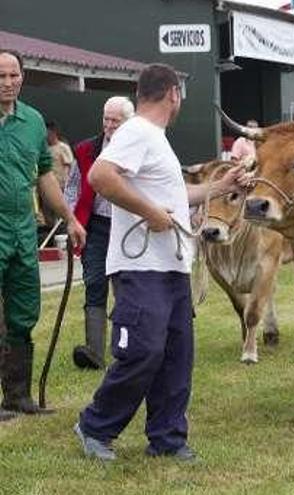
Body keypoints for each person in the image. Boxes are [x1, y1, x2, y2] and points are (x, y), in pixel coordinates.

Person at [73, 63, 245, 462]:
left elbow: (174, 194)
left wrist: (223, 186)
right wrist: (149, 211)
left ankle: (167, 438)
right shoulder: (136, 132)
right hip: (141, 268)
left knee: (175, 356)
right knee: (144, 351)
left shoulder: (156, 139)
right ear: (173, 94)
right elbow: (100, 176)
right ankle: (95, 425)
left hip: (170, 266)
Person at [0, 49, 86, 422]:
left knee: (23, 312)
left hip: (22, 231)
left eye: (13, 75)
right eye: (1, 76)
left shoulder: (33, 121)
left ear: (23, 76)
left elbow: (45, 177)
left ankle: (17, 396)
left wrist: (69, 217)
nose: (8, 83)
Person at [64, 96, 135, 370]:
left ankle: (123, 347)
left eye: (115, 120)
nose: (109, 125)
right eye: (106, 119)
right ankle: (94, 351)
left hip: (127, 227)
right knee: (94, 283)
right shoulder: (85, 150)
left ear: (128, 122)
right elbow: (72, 187)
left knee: (123, 286)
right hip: (95, 227)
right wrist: (72, 218)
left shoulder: (138, 151)